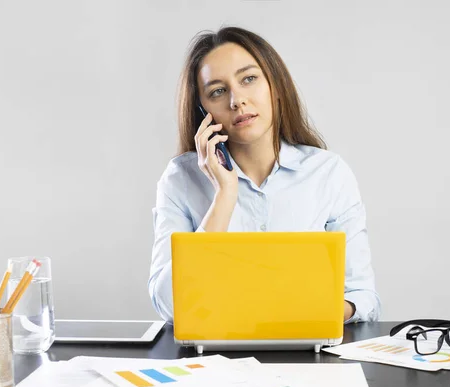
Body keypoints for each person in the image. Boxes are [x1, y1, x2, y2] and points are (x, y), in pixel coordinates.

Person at [149, 26, 381, 324]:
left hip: (307, 347)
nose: (237, 100)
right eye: (218, 91)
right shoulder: (180, 179)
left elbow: (364, 297)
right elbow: (169, 305)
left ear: (275, 85)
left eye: (249, 79)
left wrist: (315, 311)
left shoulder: (328, 173)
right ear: (203, 109)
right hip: (214, 357)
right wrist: (225, 195)